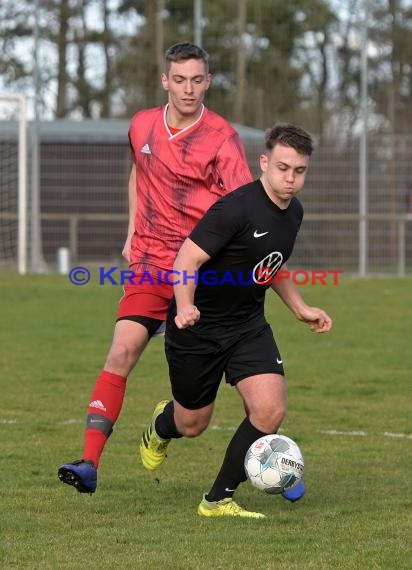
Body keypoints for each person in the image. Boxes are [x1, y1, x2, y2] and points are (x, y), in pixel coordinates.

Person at [57, 42, 253, 494]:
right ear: (165, 80)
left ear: (208, 81)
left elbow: (244, 209)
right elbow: (139, 173)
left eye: (197, 79)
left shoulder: (222, 139)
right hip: (150, 263)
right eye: (179, 79)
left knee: (196, 419)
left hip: (203, 272)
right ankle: (89, 463)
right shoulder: (142, 124)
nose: (188, 89)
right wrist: (131, 232)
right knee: (121, 351)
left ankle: (180, 429)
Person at [139, 123, 333, 518]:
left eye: (299, 171)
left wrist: (300, 307)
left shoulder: (293, 212)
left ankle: (217, 500)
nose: (290, 178)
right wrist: (186, 304)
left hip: (247, 326)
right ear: (264, 163)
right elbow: (187, 259)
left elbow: (270, 264)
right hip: (197, 328)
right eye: (282, 168)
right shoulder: (236, 208)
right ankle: (162, 425)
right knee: (192, 423)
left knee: (269, 410)